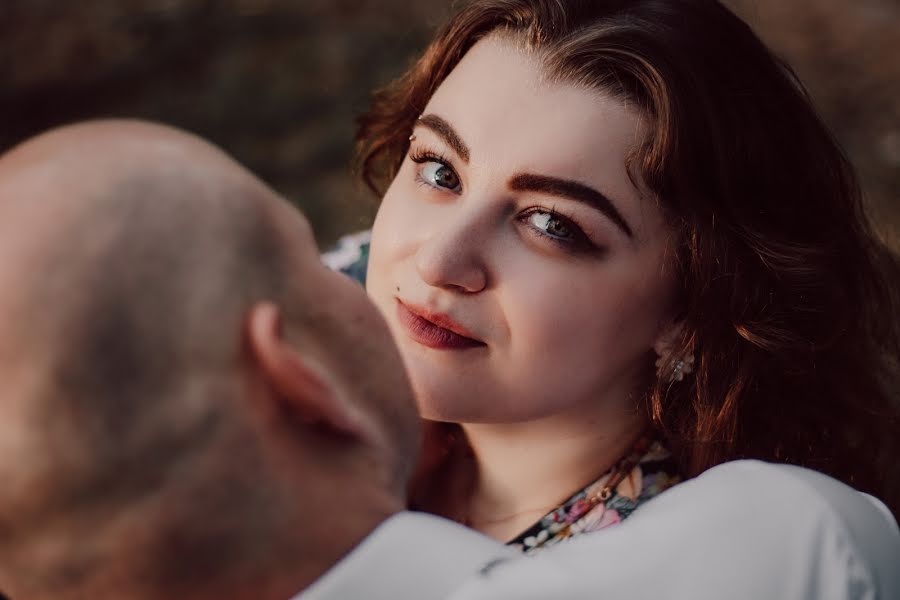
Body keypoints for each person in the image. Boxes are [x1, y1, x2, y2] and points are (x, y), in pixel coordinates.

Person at [0, 123, 897, 599]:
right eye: (434, 170)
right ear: (300, 383)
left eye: (553, 223)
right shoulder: (784, 538)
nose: (415, 268)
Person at [344, 0, 900, 550]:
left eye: (552, 224)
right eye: (440, 170)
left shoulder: (678, 571)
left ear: (691, 305)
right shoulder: (316, 315)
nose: (437, 263)